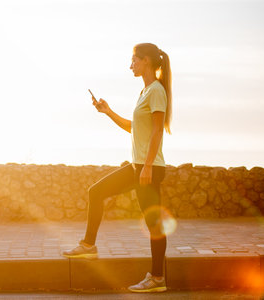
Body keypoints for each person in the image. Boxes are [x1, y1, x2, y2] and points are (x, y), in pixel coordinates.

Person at [62, 43, 173, 293]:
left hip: (149, 167)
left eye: (133, 60)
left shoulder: (156, 90)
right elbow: (136, 128)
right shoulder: (145, 92)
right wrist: (108, 112)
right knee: (96, 192)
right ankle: (88, 246)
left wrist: (146, 167)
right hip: (138, 166)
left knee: (153, 223)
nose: (130, 65)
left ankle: (157, 278)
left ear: (145, 61)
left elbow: (157, 131)